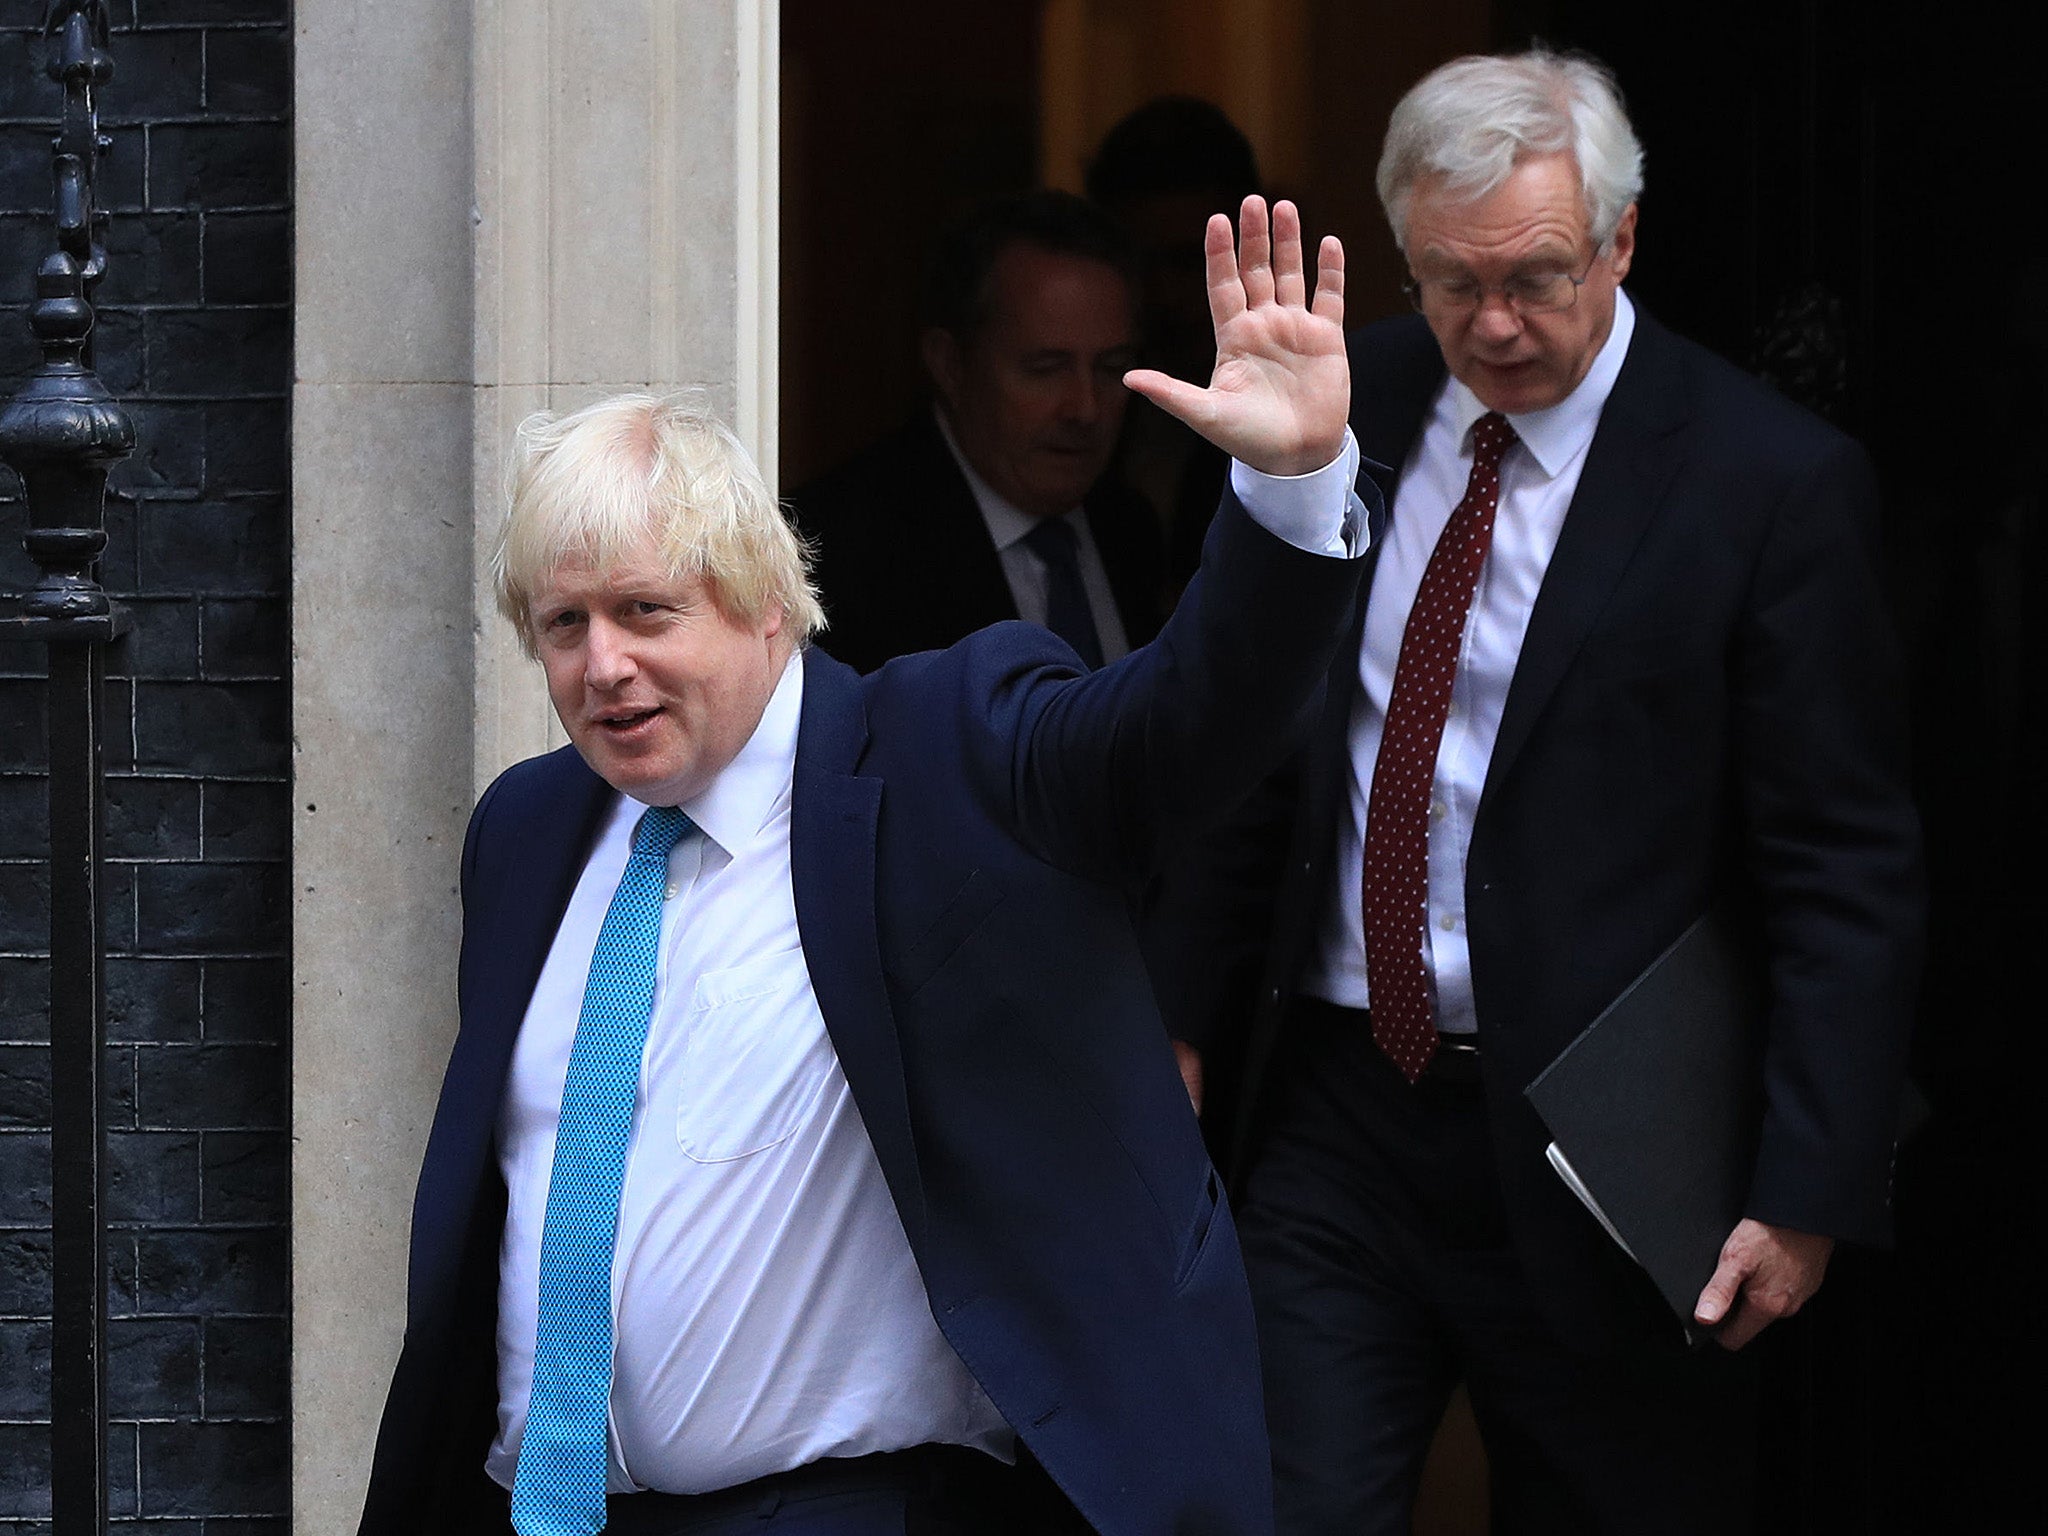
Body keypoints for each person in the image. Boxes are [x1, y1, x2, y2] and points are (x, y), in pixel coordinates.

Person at [357, 198, 1374, 1536]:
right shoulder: (532, 828)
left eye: (647, 612)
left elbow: (1187, 727)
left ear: (764, 596)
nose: (602, 666)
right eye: (563, 625)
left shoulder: (954, 750)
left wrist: (1289, 491)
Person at [1168, 50, 1923, 1534]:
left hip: (1608, 1146)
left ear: (1623, 242)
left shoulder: (1766, 484)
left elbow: (1842, 862)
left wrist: (1808, 1183)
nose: (1495, 324)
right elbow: (1240, 737)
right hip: (1335, 1107)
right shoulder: (1345, 404)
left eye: (1538, 276)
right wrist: (1178, 1012)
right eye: (1453, 282)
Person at [790, 191, 1162, 675]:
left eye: (1112, 368)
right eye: (1045, 369)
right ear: (950, 363)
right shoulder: (837, 552)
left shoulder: (1130, 530)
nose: (1085, 408)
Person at [1086, 98, 1263, 592]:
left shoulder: (1302, 419)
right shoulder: (1081, 402)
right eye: (1140, 265)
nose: (1164, 295)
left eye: (1189, 263)